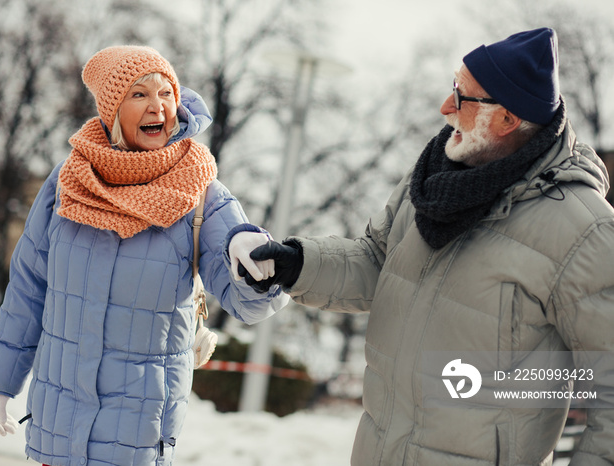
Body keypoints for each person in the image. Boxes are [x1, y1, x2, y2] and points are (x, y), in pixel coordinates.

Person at [238, 28, 614, 464]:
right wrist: (297, 265)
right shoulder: (433, 182)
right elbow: (379, 261)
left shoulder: (583, 231)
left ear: (509, 119)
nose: (445, 107)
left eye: (463, 97)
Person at [0, 45, 287, 466]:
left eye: (166, 93)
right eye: (139, 94)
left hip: (136, 437)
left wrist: (261, 267)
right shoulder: (69, 179)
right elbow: (29, 287)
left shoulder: (200, 192)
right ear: (112, 110)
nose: (157, 106)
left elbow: (247, 303)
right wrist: (1, 381)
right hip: (55, 426)